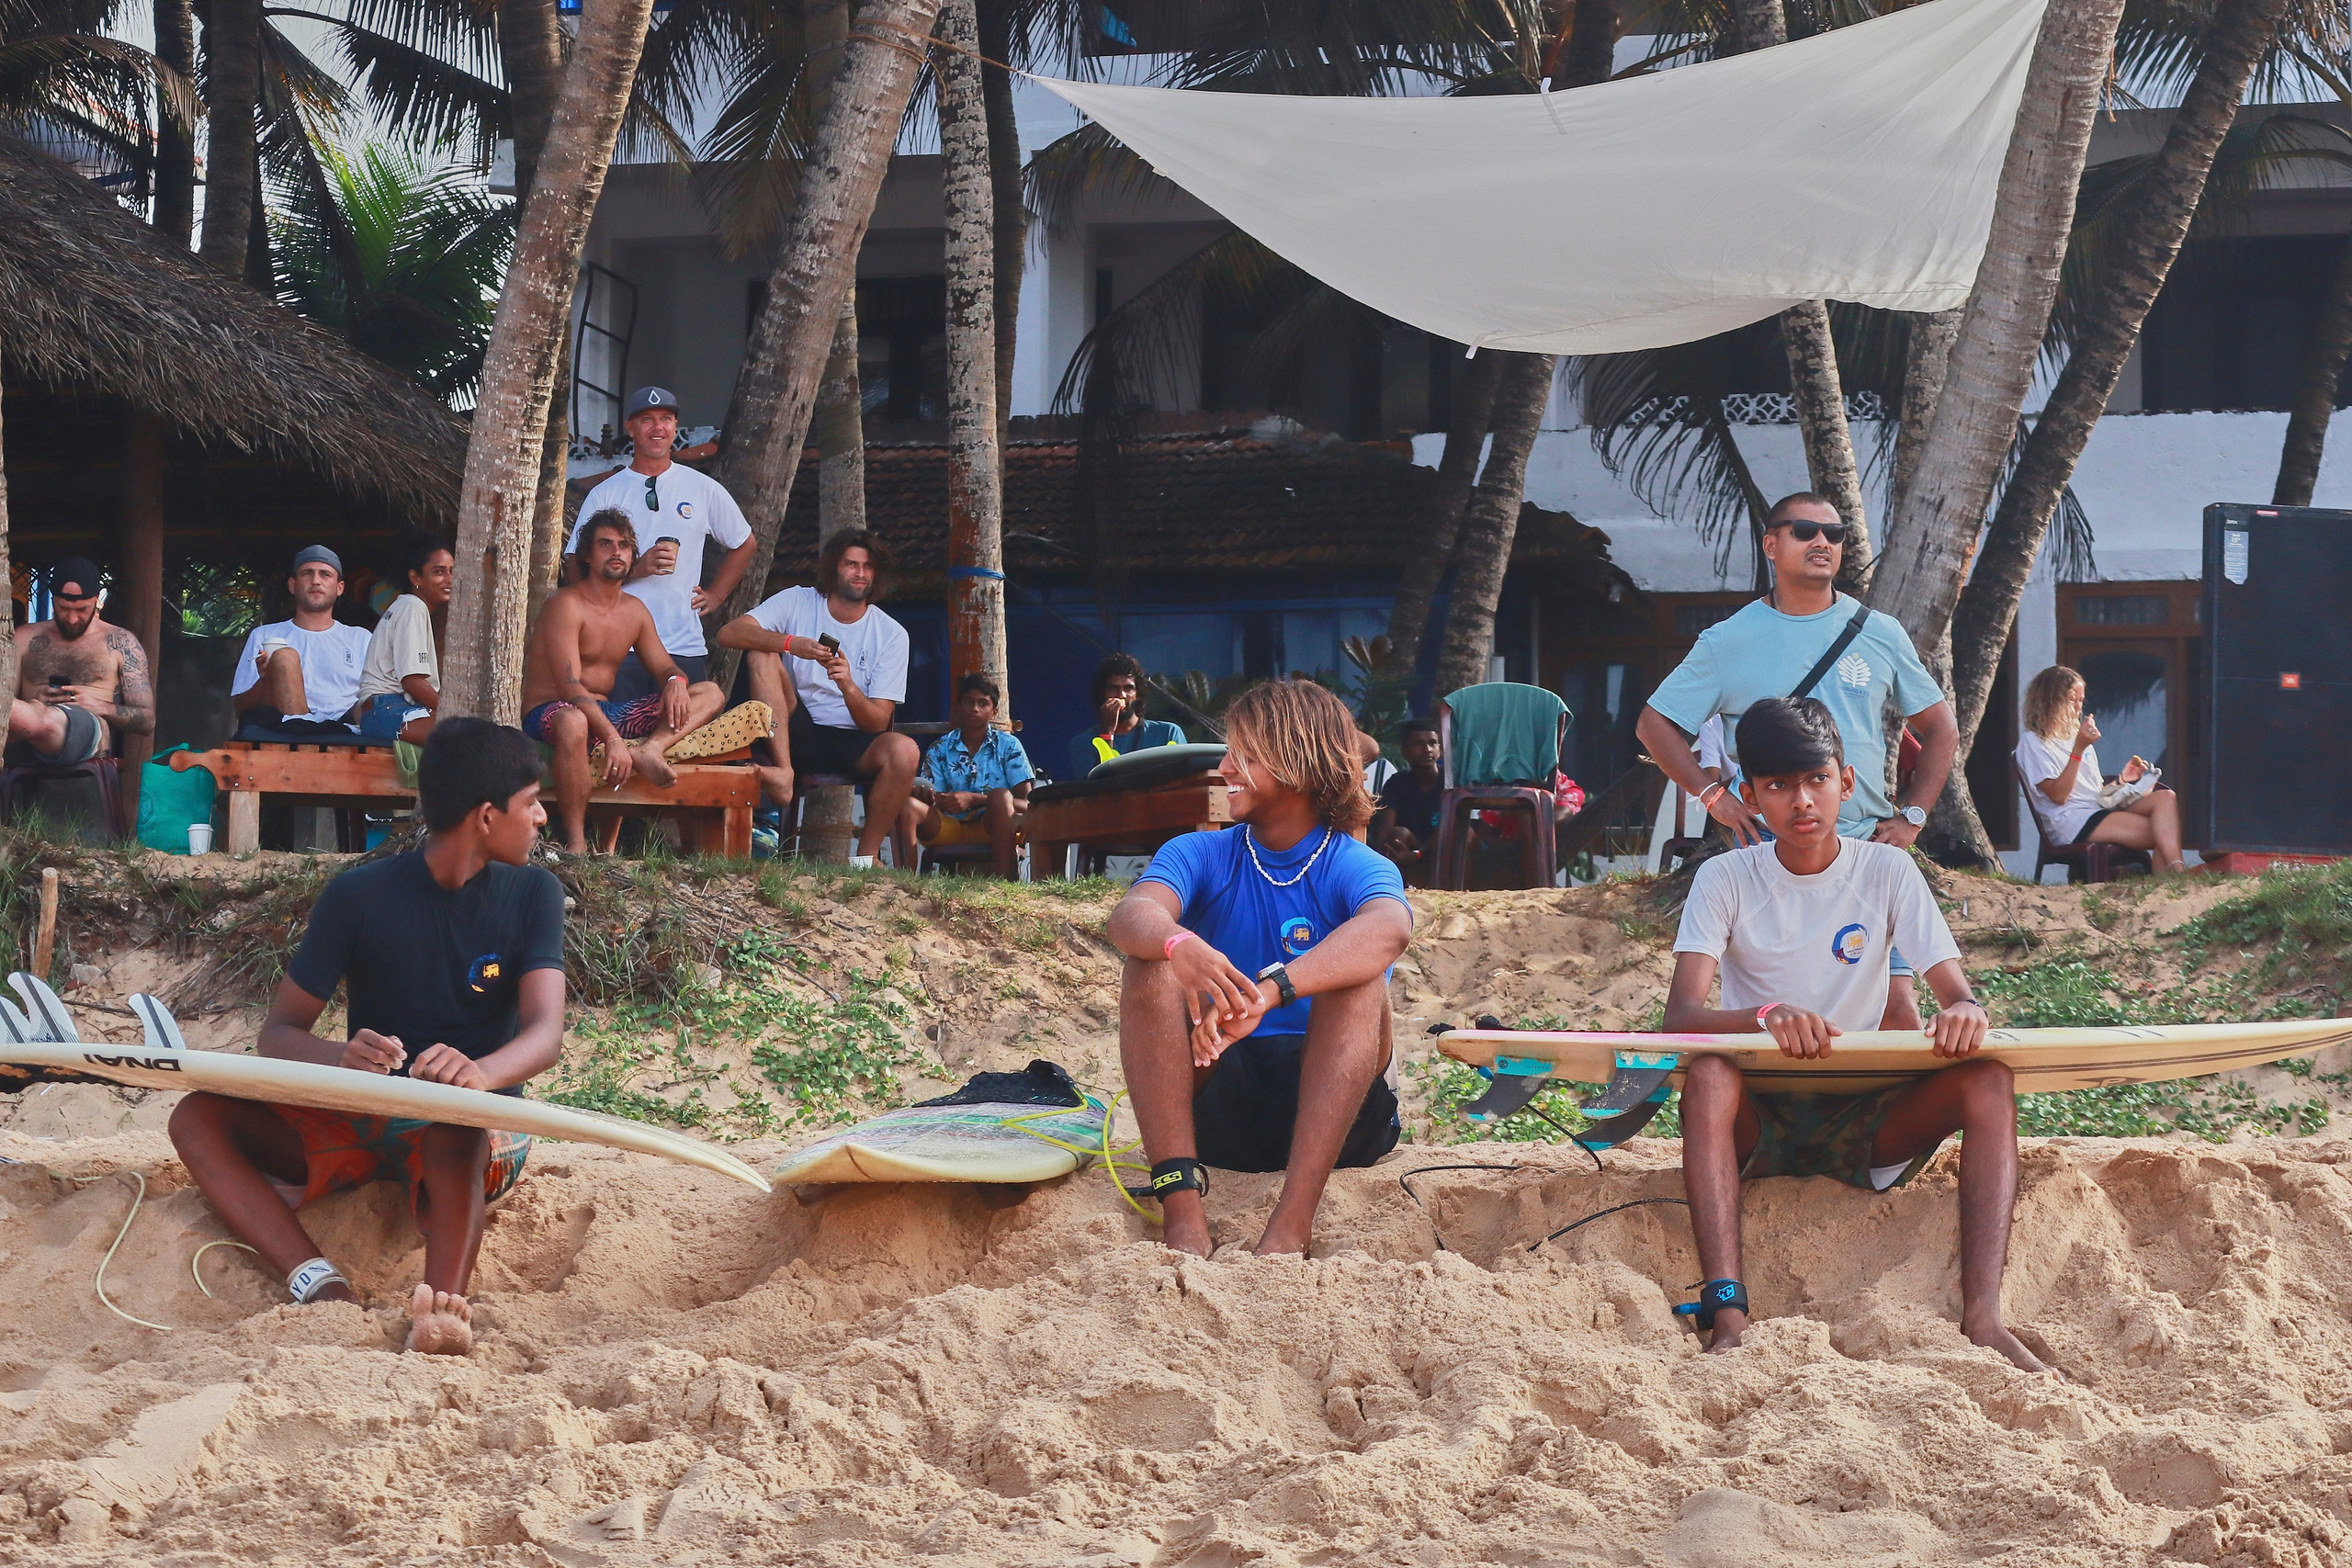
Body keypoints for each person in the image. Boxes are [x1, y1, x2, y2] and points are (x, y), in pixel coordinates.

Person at [1666, 697, 2047, 1374]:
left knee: (1989, 1079)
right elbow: (1681, 1018)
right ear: (1749, 797)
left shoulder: (1886, 870)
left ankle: (1984, 1316)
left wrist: (1963, 1012)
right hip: (1758, 1122)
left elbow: (1958, 994)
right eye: (1778, 786)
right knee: (1709, 1074)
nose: (1801, 801)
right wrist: (1764, 1015)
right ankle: (1728, 1312)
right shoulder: (1725, 878)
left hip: (1868, 1121)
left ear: (1845, 781)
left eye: (1816, 780)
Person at [165, 719, 566, 1356]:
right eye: (532, 802)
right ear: (487, 816)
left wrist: (481, 1074)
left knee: (456, 1121)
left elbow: (546, 1034)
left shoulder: (533, 893)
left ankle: (443, 1304)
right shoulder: (359, 895)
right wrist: (341, 1057)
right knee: (196, 1117)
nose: (542, 816)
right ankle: (318, 1282)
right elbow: (279, 1033)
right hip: (363, 1117)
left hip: (472, 1135)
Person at [1106, 679, 1413, 1258]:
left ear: (1297, 763)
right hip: (1223, 1102)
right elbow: (1130, 915)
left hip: (1343, 1119)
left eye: (1243, 755)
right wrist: (1178, 943)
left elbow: (1389, 929)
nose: (1224, 768)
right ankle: (1182, 1214)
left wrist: (1270, 992)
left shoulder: (1357, 864)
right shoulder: (1199, 853)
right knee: (1149, 964)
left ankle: (1292, 1223)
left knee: (1358, 978)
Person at [1635, 492, 1958, 852]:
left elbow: (1942, 727)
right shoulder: (1727, 641)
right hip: (1766, 845)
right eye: (1805, 531)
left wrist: (1913, 817)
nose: (1822, 542)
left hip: (1866, 842)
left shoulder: (1880, 632)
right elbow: (1653, 724)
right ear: (1771, 546)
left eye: (1834, 533)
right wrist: (1712, 795)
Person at [522, 512, 728, 854]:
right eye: (605, 545)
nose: (616, 552)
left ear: (633, 556)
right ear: (587, 555)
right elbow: (570, 687)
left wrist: (675, 681)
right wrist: (614, 739)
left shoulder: (635, 610)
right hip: (551, 711)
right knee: (573, 720)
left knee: (710, 692)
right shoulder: (565, 604)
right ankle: (577, 845)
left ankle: (651, 749)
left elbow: (665, 666)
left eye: (624, 545)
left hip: (605, 711)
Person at [716, 529, 917, 871]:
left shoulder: (892, 633)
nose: (860, 573)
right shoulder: (799, 600)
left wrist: (848, 685)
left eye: (868, 566)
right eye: (851, 564)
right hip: (795, 729)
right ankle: (783, 772)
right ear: (833, 567)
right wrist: (791, 644)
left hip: (856, 739)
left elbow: (877, 722)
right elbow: (729, 633)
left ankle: (865, 859)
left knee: (906, 750)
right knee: (761, 654)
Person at [565, 387, 756, 702]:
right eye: (647, 420)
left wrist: (717, 594)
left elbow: (745, 543)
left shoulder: (702, 488)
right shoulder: (605, 493)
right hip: (620, 646)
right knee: (618, 730)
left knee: (684, 730)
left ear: (675, 426)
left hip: (682, 645)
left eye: (666, 419)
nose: (658, 428)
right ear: (630, 428)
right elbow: (575, 563)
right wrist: (635, 569)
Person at [2016, 664, 2184, 873]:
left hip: (2097, 808)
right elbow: (2059, 796)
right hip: (2071, 819)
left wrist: (2122, 781)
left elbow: (2095, 792)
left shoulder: (2076, 738)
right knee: (2161, 831)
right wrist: (2078, 749)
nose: (2078, 708)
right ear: (2052, 701)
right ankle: (2176, 877)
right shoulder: (2033, 742)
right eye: (2072, 700)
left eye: (2081, 701)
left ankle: (2176, 872)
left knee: (2165, 798)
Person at [9, 556, 153, 766]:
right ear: (53, 600)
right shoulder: (24, 638)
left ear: (96, 599)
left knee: (46, 720)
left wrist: (98, 706)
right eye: (64, 608)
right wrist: (34, 702)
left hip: (88, 732)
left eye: (82, 610)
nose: (72, 619)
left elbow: (147, 721)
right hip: (28, 732)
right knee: (29, 715)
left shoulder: (121, 642)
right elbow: (6, 700)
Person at [232, 546, 374, 737]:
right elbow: (240, 710)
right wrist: (265, 681)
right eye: (307, 573)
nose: (316, 581)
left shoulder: (361, 638)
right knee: (284, 657)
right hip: (291, 730)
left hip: (347, 728)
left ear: (339, 588)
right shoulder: (263, 635)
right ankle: (304, 733)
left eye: (325, 574)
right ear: (292, 585)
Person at [913, 673, 1035, 879]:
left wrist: (976, 800)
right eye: (968, 702)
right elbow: (933, 798)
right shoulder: (939, 748)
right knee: (909, 806)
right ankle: (904, 882)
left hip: (994, 829)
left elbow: (1028, 805)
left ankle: (1007, 884)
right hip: (948, 828)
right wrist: (930, 797)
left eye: (983, 703)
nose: (975, 709)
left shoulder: (1009, 746)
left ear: (993, 713)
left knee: (1001, 797)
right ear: (958, 708)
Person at [356, 534, 453, 745]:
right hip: (388, 709)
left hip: (386, 710)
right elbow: (412, 681)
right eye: (439, 571)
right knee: (464, 734)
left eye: (452, 571)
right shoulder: (413, 607)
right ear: (415, 578)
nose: (449, 579)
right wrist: (450, 711)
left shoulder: (409, 606)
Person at [1068, 652, 1185, 777]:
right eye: (1113, 688)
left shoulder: (1168, 733)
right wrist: (1107, 733)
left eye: (1128, 688)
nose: (1121, 695)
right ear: (1102, 695)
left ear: (1138, 694)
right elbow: (1099, 785)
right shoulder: (1083, 744)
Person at [1372, 716, 1443, 884]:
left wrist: (1419, 853)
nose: (1427, 749)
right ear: (1404, 751)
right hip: (1412, 846)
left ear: (1440, 749)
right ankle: (1387, 885)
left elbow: (1451, 828)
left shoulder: (1451, 782)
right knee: (1399, 834)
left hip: (1442, 847)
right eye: (1418, 744)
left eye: (1432, 743)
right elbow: (1386, 828)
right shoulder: (1397, 783)